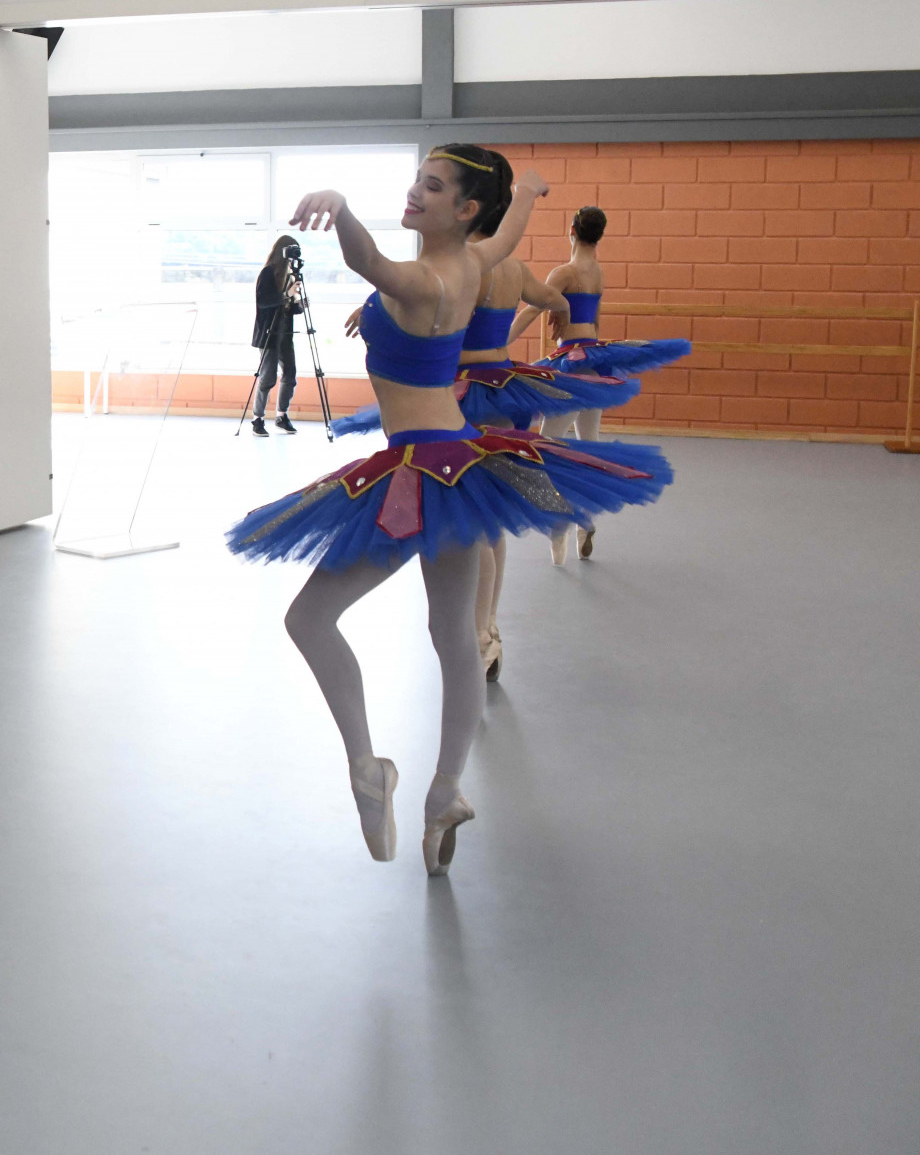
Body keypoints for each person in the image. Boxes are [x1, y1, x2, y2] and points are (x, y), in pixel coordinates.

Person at [227, 147, 672, 876]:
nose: (414, 192)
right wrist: (525, 192)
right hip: (461, 457)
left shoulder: (426, 278)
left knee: (309, 619)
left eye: (431, 187)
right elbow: (506, 235)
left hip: (416, 468)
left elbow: (369, 261)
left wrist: (342, 208)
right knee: (453, 633)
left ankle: (368, 769)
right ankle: (445, 791)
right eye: (417, 180)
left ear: (464, 208)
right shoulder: (473, 259)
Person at [332, 205, 643, 680]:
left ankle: (481, 629)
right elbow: (550, 300)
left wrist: (377, 308)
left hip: (462, 392)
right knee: (493, 507)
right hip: (503, 386)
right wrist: (559, 317)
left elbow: (418, 294)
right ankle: (489, 626)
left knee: (473, 510)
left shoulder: (464, 267)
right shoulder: (517, 268)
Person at [513, 205, 692, 563]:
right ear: (599, 236)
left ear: (571, 231)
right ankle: (586, 520)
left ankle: (560, 527)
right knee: (589, 444)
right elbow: (595, 322)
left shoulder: (563, 272)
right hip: (594, 362)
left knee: (547, 448)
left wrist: (501, 342)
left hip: (570, 362)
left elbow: (533, 308)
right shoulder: (597, 272)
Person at [248, 235, 304, 436]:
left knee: (290, 375)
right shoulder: (268, 273)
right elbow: (263, 301)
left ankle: (282, 416)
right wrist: (286, 294)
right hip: (268, 333)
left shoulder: (290, 275)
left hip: (285, 333)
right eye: (291, 252)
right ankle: (257, 418)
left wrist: (298, 303)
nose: (293, 257)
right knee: (268, 377)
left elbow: (289, 308)